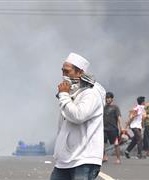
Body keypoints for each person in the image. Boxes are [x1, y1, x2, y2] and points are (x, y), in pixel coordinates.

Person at [50, 52, 106, 180]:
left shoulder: (91, 94)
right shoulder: (71, 93)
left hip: (83, 159)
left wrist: (63, 95)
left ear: (80, 72)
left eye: (67, 71)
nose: (64, 75)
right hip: (65, 160)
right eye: (62, 71)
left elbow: (78, 116)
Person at [103, 92, 123, 164]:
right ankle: (104, 156)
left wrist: (121, 127)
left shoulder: (115, 108)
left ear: (112, 99)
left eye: (108, 98)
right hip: (104, 128)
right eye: (106, 98)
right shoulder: (103, 108)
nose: (107, 100)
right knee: (102, 143)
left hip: (113, 129)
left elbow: (119, 117)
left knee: (116, 144)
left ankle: (118, 158)